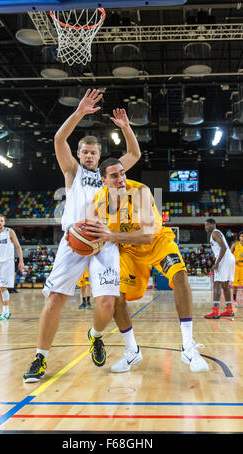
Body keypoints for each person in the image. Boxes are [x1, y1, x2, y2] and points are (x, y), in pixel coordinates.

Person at [23, 88, 141, 383]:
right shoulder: (72, 171)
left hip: (103, 241)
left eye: (94, 152)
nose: (89, 155)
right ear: (79, 154)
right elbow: (58, 139)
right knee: (55, 300)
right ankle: (40, 357)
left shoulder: (109, 173)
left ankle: (96, 335)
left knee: (106, 303)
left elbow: (134, 154)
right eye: (85, 151)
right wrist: (79, 112)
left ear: (100, 156)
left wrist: (126, 128)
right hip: (74, 240)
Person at [86, 158, 209, 373]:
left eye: (122, 173)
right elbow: (90, 232)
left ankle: (188, 346)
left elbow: (146, 236)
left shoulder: (141, 192)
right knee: (117, 297)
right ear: (103, 180)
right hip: (128, 252)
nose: (121, 179)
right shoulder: (98, 201)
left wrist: (110, 235)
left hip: (156, 242)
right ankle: (132, 351)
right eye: (114, 176)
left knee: (180, 275)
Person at [204, 218, 236, 319]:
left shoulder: (215, 233)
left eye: (207, 225)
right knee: (225, 285)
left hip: (224, 259)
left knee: (217, 284)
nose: (206, 227)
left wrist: (217, 263)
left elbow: (224, 247)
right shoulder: (216, 233)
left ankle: (215, 311)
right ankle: (229, 309)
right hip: (229, 258)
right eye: (205, 226)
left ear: (213, 224)